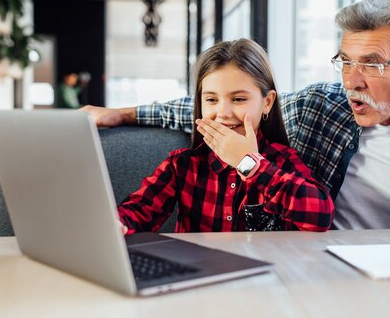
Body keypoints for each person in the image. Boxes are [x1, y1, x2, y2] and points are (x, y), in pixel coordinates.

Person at [84, 0, 390, 270]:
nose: (352, 81)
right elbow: (223, 106)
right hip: (312, 267)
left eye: (372, 64)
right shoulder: (324, 105)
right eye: (346, 61)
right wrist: (119, 114)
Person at [116, 39, 334, 234]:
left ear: (267, 102)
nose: (223, 113)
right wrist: (118, 224)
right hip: (199, 273)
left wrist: (249, 165)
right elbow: (138, 212)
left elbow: (321, 216)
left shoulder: (282, 162)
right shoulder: (182, 165)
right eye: (211, 100)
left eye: (238, 99)